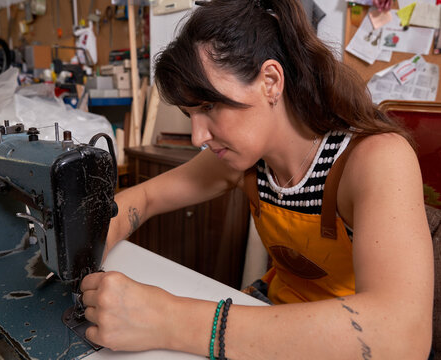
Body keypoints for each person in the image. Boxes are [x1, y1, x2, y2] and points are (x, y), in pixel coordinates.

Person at [80, 0, 434, 358]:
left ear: (270, 82)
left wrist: (170, 320)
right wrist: (83, 253)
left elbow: (401, 336)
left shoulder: (374, 158)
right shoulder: (247, 161)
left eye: (208, 107)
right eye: (191, 114)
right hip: (274, 313)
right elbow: (144, 199)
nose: (197, 137)